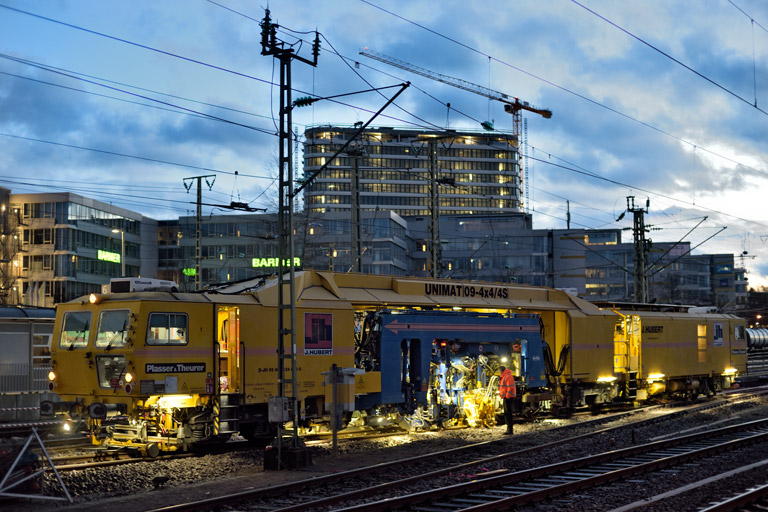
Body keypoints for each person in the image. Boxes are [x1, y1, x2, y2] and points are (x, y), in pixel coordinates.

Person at [498, 365, 517, 435]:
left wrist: (507, 395)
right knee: (507, 413)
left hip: (508, 397)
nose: (498, 372)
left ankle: (510, 429)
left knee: (508, 413)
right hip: (506, 397)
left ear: (501, 370)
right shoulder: (505, 376)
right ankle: (508, 429)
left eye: (499, 371)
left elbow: (510, 387)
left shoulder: (508, 376)